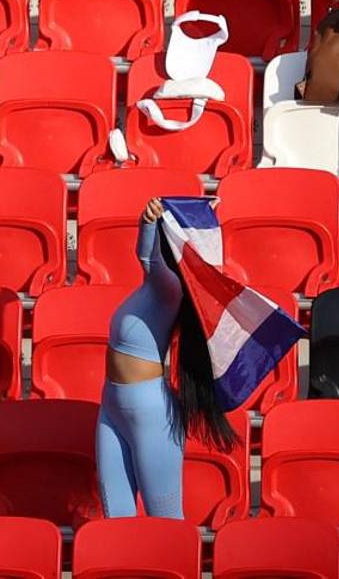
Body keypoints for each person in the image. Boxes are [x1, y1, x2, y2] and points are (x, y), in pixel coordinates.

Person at [98, 197, 238, 518]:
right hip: (112, 406)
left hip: (150, 412)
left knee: (166, 518)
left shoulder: (169, 288)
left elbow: (147, 258)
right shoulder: (152, 291)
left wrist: (147, 222)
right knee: (115, 516)